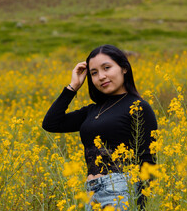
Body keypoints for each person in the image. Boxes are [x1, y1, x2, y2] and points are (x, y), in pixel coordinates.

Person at [42, 44, 157, 210]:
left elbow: (148, 161)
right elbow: (51, 123)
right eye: (94, 73)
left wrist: (141, 205)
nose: (101, 77)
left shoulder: (139, 106)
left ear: (124, 68)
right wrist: (73, 86)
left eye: (107, 68)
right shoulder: (93, 110)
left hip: (122, 192)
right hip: (91, 193)